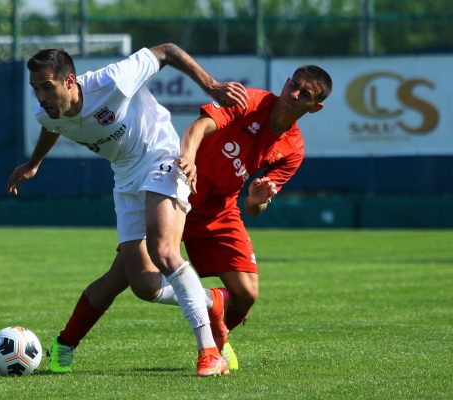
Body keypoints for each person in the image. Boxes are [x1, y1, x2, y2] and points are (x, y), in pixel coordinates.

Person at [47, 64, 332, 372]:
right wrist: (189, 160)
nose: (294, 94)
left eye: (305, 94)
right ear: (287, 81)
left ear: (315, 108)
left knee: (247, 293)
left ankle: (216, 340)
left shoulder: (294, 149)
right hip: (177, 189)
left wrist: (255, 201)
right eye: (294, 85)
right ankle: (64, 344)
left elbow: (255, 208)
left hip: (220, 210)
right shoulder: (248, 102)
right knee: (129, 280)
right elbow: (197, 129)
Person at [7, 43, 248, 377]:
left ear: (70, 82)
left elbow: (166, 51)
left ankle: (209, 352)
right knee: (144, 287)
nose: (41, 96)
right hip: (125, 179)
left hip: (163, 157)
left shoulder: (112, 81)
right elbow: (53, 126)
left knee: (164, 252)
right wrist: (34, 163)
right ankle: (213, 302)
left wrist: (210, 85)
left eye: (47, 87)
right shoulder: (45, 112)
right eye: (35, 89)